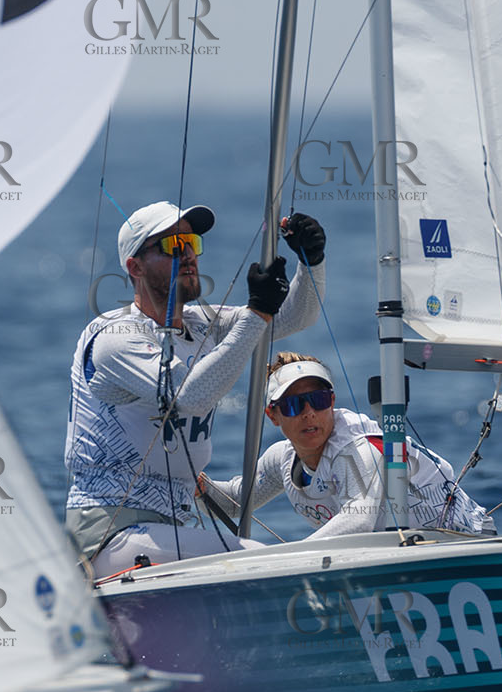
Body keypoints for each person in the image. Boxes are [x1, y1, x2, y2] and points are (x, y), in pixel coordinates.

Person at [65, 201, 327, 576]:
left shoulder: (202, 324)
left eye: (191, 243)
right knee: (258, 559)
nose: (187, 254)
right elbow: (190, 396)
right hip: (109, 535)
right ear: (135, 268)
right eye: (172, 246)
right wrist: (257, 312)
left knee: (258, 558)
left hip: (168, 528)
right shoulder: (115, 338)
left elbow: (296, 316)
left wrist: (311, 261)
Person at [199, 353, 490, 538]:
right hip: (403, 557)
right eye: (294, 405)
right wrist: (192, 482)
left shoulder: (356, 450)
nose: (309, 413)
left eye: (319, 400)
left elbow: (358, 521)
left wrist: (286, 561)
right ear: (272, 415)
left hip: (468, 542)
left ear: (332, 402)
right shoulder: (281, 460)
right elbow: (234, 502)